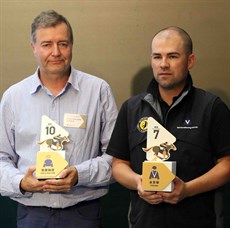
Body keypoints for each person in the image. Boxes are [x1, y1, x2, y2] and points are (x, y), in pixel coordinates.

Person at [0, 10, 117, 228]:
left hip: (84, 213)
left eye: (63, 44)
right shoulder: (13, 97)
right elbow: (1, 157)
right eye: (47, 44)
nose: (56, 52)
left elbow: (116, 156)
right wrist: (22, 182)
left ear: (72, 46)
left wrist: (79, 175)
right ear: (33, 48)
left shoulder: (98, 90)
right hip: (31, 214)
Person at [106, 26, 230, 228]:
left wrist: (188, 189)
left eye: (172, 56)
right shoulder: (131, 108)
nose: (163, 64)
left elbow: (227, 164)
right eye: (157, 57)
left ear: (190, 61)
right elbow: (118, 164)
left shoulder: (211, 107)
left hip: (198, 221)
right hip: (144, 222)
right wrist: (138, 182)